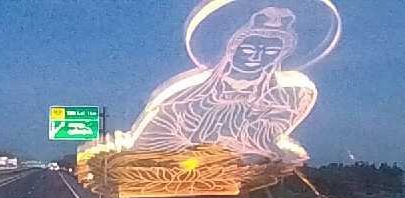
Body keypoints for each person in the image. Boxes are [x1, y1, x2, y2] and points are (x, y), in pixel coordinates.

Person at [133, 6, 318, 165]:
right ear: (232, 49)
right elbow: (154, 136)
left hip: (238, 172)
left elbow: (268, 138)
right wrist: (197, 153)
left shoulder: (286, 96)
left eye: (270, 51)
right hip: (184, 168)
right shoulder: (187, 94)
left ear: (280, 55)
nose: (257, 57)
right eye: (248, 49)